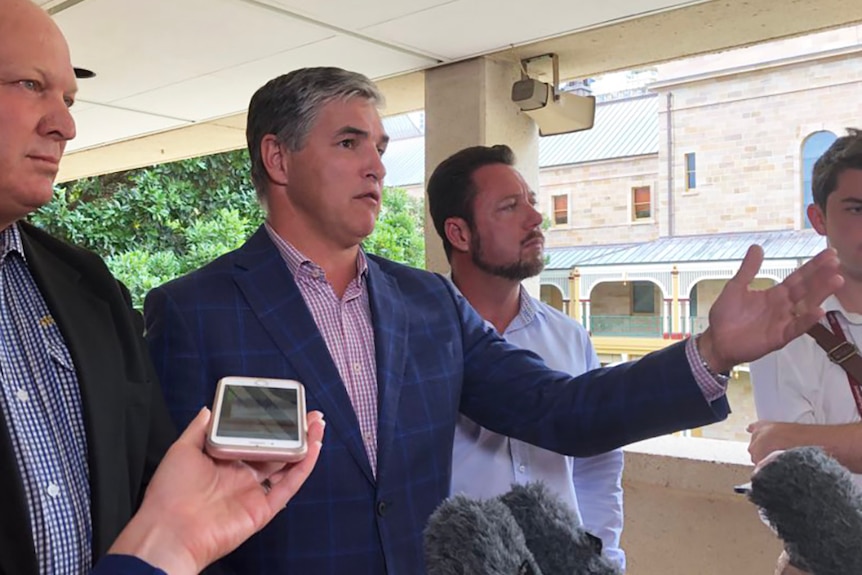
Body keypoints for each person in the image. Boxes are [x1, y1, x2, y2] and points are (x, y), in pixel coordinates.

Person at [144, 65, 842, 574]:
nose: (377, 169)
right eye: (350, 143)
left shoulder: (426, 303)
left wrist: (712, 350)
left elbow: (562, 408)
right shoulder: (194, 310)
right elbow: (172, 507)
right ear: (278, 157)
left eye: (382, 149)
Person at [0, 2, 325, 574]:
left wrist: (174, 537)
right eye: (31, 85)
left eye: (70, 100)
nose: (66, 125)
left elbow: (146, 481)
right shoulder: (187, 302)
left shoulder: (90, 287)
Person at [426, 144, 625, 569]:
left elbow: (598, 467)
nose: (536, 219)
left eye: (532, 203)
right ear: (459, 233)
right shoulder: (417, 341)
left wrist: (601, 558)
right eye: (510, 207)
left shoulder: (569, 338)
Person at [749, 128, 862, 481]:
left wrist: (800, 439)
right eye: (857, 209)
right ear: (818, 219)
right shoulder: (787, 334)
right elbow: (796, 481)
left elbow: (785, 445)